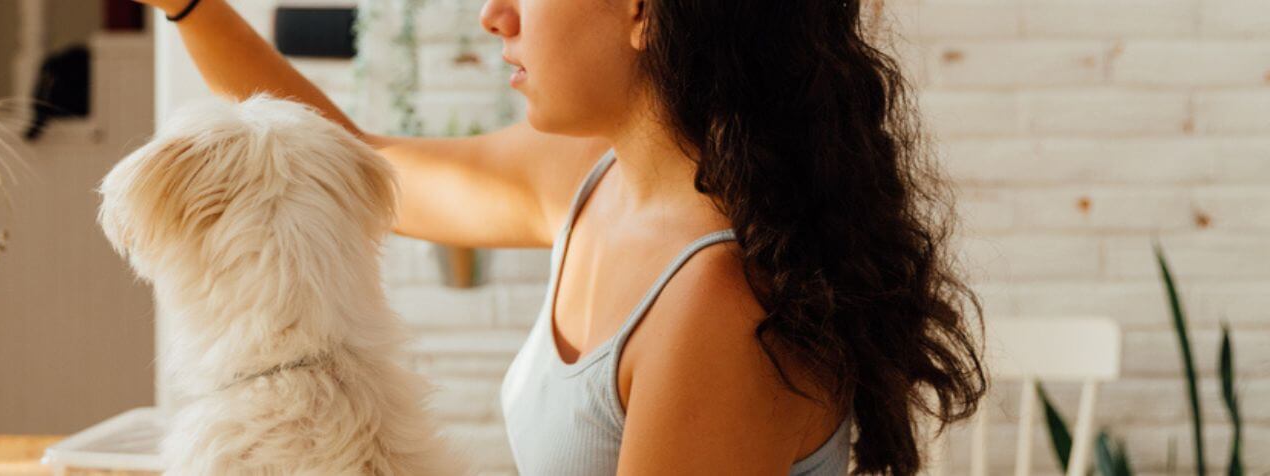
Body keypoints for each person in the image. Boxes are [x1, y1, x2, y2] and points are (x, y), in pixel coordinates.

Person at [133, 0, 987, 473]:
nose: (492, 15)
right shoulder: (588, 176)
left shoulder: (719, 309)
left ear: (644, 12)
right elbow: (359, 161)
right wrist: (191, 7)